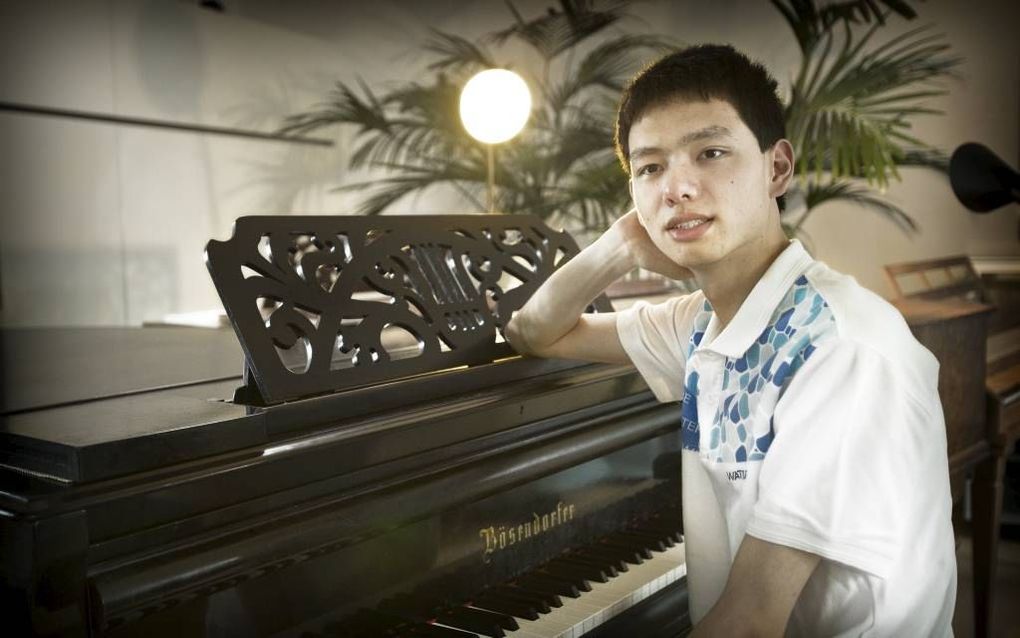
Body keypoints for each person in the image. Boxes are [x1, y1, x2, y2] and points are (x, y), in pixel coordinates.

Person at [505, 44, 956, 636]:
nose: (677, 188)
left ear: (777, 168)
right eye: (650, 168)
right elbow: (535, 332)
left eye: (710, 153)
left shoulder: (838, 347)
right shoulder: (702, 322)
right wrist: (618, 245)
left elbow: (748, 623)